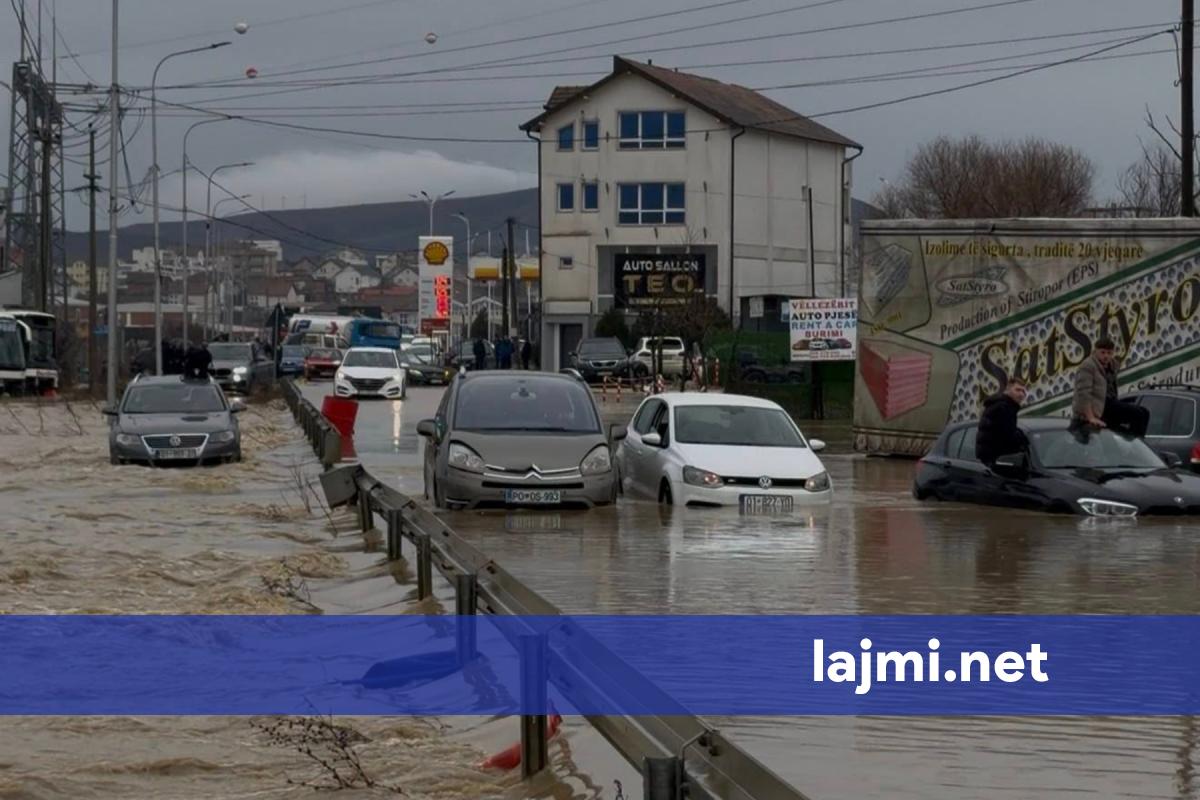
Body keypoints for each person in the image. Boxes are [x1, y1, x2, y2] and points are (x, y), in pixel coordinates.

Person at [1071, 338, 1149, 436]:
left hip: (1110, 404)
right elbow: (1083, 394)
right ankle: (1132, 447)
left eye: (1109, 353)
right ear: (1095, 352)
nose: (1106, 356)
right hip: (1099, 407)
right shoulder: (1088, 366)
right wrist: (1090, 417)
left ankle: (1135, 444)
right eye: (1102, 352)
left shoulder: (1112, 365)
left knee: (1145, 412)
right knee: (1138, 414)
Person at [976, 376, 1029, 466]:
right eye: (1017, 390)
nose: (1021, 394)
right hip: (994, 464)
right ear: (1008, 389)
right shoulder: (1003, 408)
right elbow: (1008, 435)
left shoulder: (1003, 405)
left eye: (1023, 391)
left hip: (990, 462)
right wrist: (1025, 441)